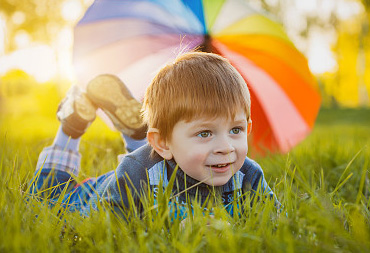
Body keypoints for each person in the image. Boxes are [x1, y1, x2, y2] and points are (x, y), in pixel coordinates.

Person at [30, 52, 279, 221]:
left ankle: (137, 133)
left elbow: (276, 221)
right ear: (162, 143)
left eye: (235, 130)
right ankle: (71, 124)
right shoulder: (135, 171)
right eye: (205, 133)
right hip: (92, 196)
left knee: (161, 154)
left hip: (157, 158)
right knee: (46, 197)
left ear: (247, 128)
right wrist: (168, 229)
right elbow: (112, 228)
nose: (226, 147)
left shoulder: (249, 175)